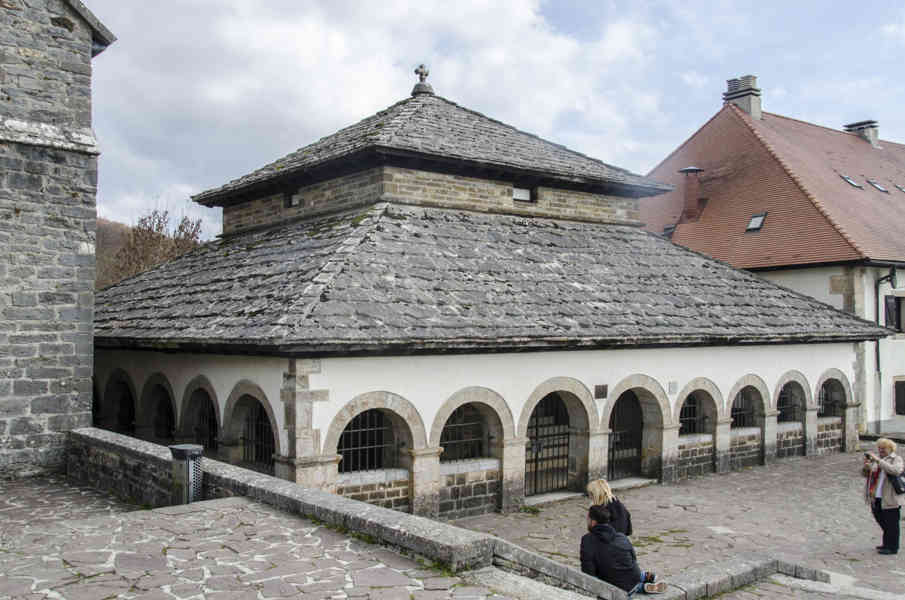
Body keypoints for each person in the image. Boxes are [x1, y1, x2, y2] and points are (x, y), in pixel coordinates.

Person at [580, 505, 666, 595]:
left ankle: (641, 587)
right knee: (627, 571)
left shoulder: (587, 540)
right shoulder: (621, 536)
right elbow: (633, 558)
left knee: (615, 578)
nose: (587, 521)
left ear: (593, 522)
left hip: (618, 584)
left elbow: (588, 572)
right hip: (633, 573)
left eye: (588, 519)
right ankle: (644, 577)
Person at [862, 438, 905, 555]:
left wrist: (878, 460)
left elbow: (895, 471)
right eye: (879, 448)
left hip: (890, 497)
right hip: (876, 496)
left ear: (890, 449)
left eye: (883, 448)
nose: (880, 450)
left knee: (892, 523)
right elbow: (866, 475)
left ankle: (892, 547)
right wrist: (866, 467)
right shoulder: (878, 460)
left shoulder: (896, 459)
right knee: (882, 520)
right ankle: (887, 543)